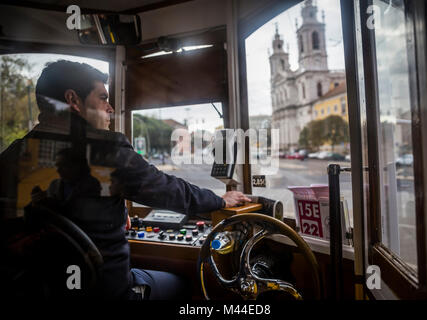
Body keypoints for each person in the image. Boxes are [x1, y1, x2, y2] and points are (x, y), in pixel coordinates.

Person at [0, 60, 251, 299]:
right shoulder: (104, 150)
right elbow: (168, 189)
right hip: (107, 292)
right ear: (72, 100)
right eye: (103, 98)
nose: (109, 108)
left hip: (34, 291)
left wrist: (114, 214)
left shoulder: (10, 156)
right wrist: (218, 199)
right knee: (183, 284)